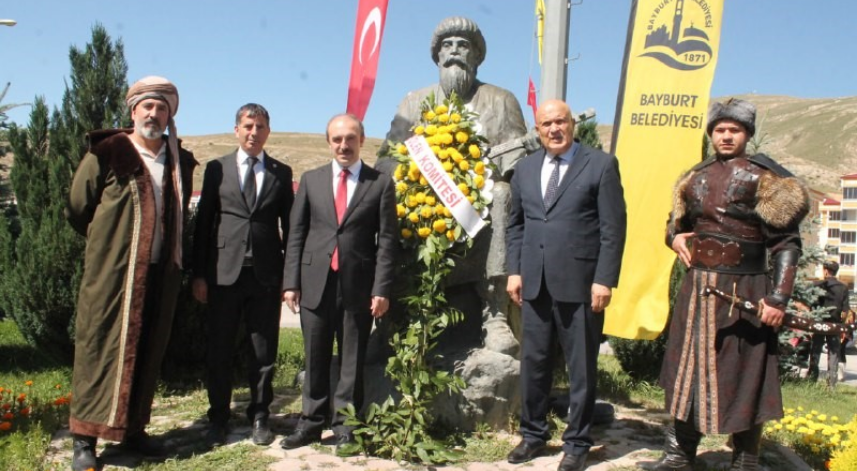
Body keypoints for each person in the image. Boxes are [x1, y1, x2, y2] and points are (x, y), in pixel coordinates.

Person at [650, 98, 809, 471]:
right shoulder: (695, 177)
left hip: (746, 290)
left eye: (734, 130)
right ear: (711, 134)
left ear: (747, 134)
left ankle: (746, 458)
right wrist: (673, 236)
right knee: (685, 366)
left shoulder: (766, 178)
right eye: (719, 129)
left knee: (746, 371)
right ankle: (679, 453)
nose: (726, 136)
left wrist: (779, 297)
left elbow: (786, 244)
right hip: (698, 289)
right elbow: (676, 222)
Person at [377, 16, 533, 354]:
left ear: (477, 55)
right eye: (446, 46)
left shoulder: (500, 100)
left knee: (504, 195)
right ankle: (393, 319)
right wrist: (412, 175)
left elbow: (518, 164)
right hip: (422, 206)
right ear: (436, 56)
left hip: (480, 207)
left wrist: (490, 172)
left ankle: (494, 316)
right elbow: (386, 159)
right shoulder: (414, 102)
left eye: (463, 45)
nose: (454, 52)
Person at [65, 76, 197, 471]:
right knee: (99, 347)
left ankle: (133, 430)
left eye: (161, 107)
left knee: (147, 348)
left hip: (161, 271)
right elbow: (77, 206)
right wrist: (110, 244)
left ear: (170, 114)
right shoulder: (109, 151)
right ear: (133, 110)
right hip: (113, 272)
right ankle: (85, 439)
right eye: (147, 106)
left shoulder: (178, 160)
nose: (153, 114)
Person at [505, 99, 627, 471]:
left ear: (572, 124)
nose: (554, 129)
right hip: (535, 283)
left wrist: (604, 279)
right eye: (546, 124)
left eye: (561, 122)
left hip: (581, 284)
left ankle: (577, 442)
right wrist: (515, 270)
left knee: (582, 367)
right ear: (537, 130)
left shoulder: (600, 165)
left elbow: (613, 228)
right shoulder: (524, 170)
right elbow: (516, 225)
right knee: (535, 363)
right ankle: (533, 434)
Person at [280, 113, 397, 454]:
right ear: (328, 142)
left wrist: (381, 288)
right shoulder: (311, 180)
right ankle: (311, 423)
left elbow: (387, 241)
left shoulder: (379, 183)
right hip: (314, 281)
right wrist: (291, 282)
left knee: (351, 359)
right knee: (315, 356)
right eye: (337, 139)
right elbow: (297, 234)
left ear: (361, 140)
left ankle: (346, 425)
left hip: (358, 286)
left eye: (350, 138)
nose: (343, 145)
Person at [192, 103, 294, 447]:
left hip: (265, 276)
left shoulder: (281, 172)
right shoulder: (216, 169)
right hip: (223, 274)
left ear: (268, 132)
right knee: (219, 349)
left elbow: (291, 230)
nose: (254, 132)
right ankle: (218, 416)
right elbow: (203, 225)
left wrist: (289, 278)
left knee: (263, 352)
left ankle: (260, 414)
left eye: (261, 126)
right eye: (248, 125)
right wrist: (200, 275)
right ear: (237, 129)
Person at [807, 260, 850, 387]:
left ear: (825, 271)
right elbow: (845, 310)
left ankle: (812, 380)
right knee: (834, 353)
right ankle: (831, 384)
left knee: (816, 350)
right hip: (835, 325)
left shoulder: (817, 285)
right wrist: (841, 324)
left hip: (819, 324)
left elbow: (811, 305)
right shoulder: (843, 287)